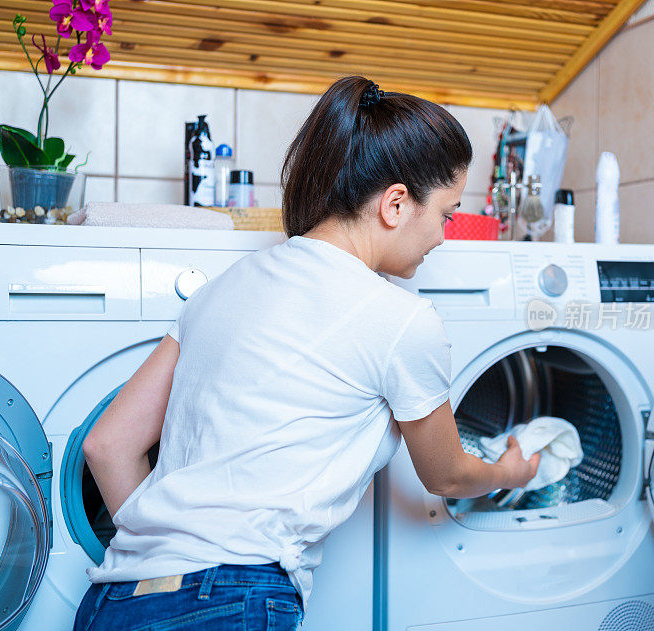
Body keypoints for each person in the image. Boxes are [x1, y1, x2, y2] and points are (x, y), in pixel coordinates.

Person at [74, 75, 539, 631]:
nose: (444, 234)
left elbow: (106, 445)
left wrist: (167, 555)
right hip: (234, 595)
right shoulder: (400, 320)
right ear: (395, 203)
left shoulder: (222, 287)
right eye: (445, 213)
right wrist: (507, 473)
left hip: (115, 599)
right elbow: (447, 476)